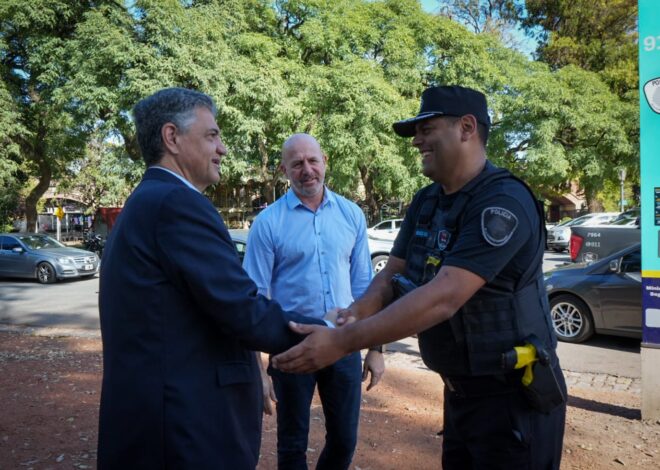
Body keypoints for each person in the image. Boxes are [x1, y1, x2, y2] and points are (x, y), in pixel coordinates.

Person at [272, 86, 567, 469]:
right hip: (460, 395)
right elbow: (394, 274)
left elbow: (444, 297)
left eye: (427, 129)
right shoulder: (428, 201)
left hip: (512, 399)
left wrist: (343, 342)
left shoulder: (502, 202)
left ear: (466, 127)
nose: (416, 141)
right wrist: (353, 314)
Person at [97, 88, 326, 470]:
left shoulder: (150, 199)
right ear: (172, 138)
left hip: (162, 420)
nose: (222, 148)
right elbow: (239, 307)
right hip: (183, 430)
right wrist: (328, 334)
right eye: (212, 135)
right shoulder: (176, 204)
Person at [243, 133, 385, 470]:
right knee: (292, 443)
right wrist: (256, 370)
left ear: (325, 163)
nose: (307, 169)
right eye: (297, 164)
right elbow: (252, 299)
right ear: (284, 170)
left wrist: (376, 349)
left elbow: (366, 287)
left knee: (345, 439)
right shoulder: (267, 224)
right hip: (291, 345)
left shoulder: (352, 215)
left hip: (344, 340)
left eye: (312, 160)